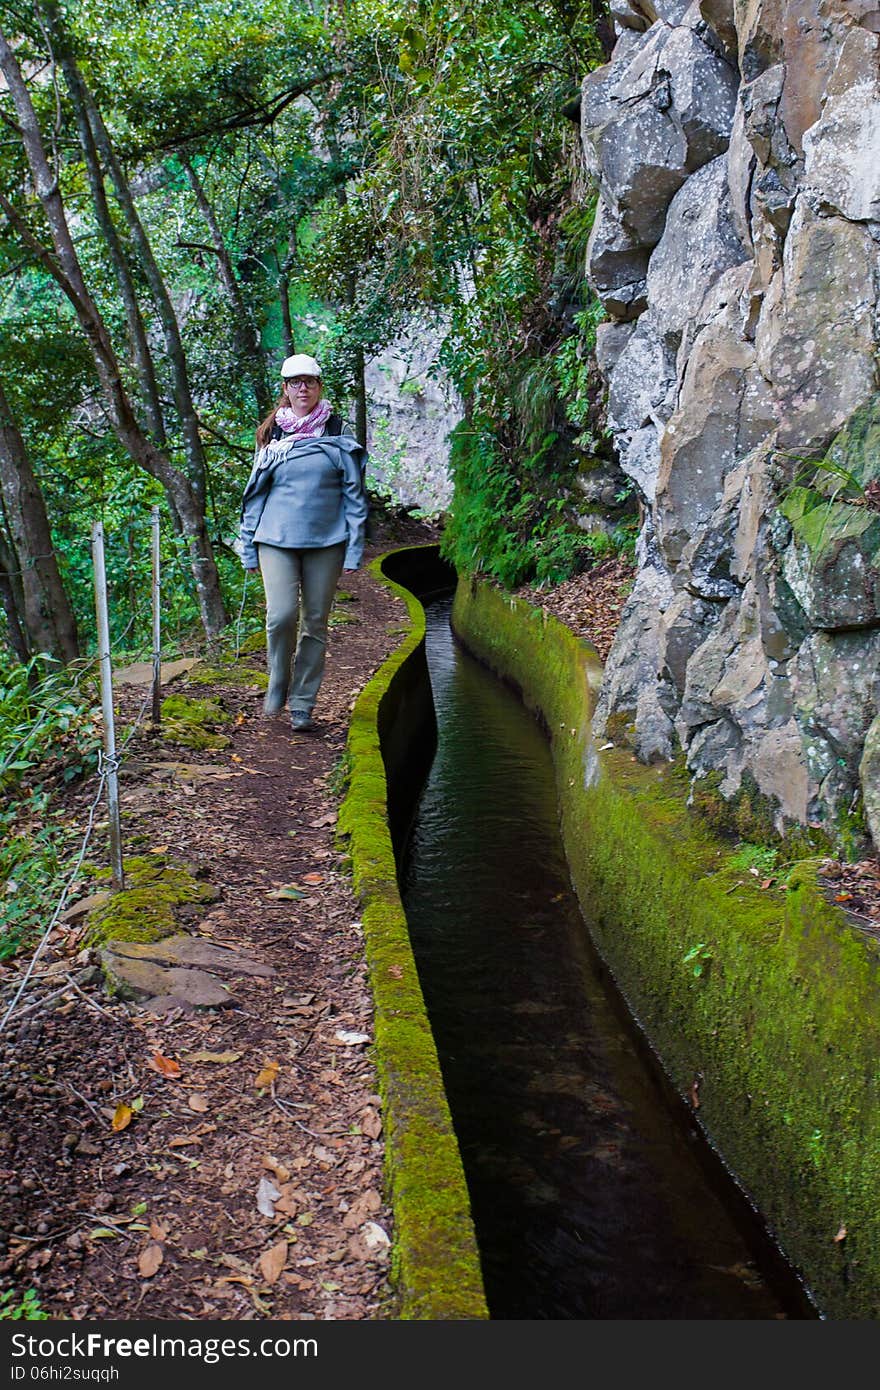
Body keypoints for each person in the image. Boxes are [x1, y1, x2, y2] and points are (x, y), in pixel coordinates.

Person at [238, 353, 369, 732]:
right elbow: (253, 496)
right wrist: (247, 546)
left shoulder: (337, 434)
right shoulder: (272, 437)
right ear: (285, 389)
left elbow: (354, 497)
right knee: (280, 616)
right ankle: (278, 682)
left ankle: (302, 702)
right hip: (274, 539)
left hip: (326, 542)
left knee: (315, 623)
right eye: (295, 382)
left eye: (309, 382)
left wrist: (355, 548)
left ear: (318, 386)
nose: (302, 388)